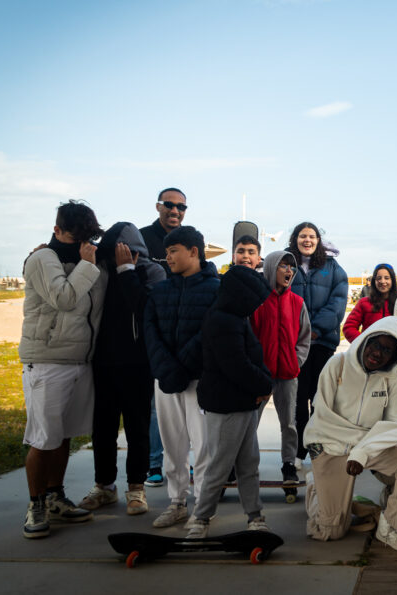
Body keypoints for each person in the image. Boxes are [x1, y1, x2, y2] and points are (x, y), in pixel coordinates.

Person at [303, 317, 397, 552]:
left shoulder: (392, 378)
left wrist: (363, 451)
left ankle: (392, 527)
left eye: (387, 350)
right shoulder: (337, 364)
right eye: (376, 344)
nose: (378, 353)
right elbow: (322, 417)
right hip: (331, 444)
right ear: (366, 340)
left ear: (395, 357)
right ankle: (317, 488)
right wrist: (358, 447)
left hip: (367, 446)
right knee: (329, 531)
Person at [19, 200, 107, 538]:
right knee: (43, 438)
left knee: (63, 435)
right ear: (56, 230)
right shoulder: (43, 258)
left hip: (79, 361)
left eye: (88, 238)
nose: (83, 245)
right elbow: (64, 299)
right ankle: (35, 504)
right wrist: (87, 264)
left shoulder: (87, 258)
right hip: (46, 360)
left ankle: (56, 496)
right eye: (76, 237)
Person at [78, 223, 165, 518]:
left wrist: (128, 271)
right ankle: (104, 486)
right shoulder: (99, 268)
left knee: (137, 428)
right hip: (102, 361)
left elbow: (147, 310)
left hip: (138, 363)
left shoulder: (151, 271)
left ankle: (136, 487)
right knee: (102, 428)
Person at [184, 265, 274, 538]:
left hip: (244, 403)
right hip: (226, 406)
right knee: (220, 466)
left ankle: (254, 516)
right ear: (240, 295)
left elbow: (250, 359)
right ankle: (200, 518)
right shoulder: (222, 320)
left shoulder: (235, 316)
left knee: (248, 464)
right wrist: (264, 384)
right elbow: (235, 365)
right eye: (254, 299)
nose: (257, 304)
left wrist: (260, 385)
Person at [143, 225, 221, 528]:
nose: (168, 258)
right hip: (165, 381)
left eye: (173, 251)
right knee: (172, 445)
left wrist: (181, 367)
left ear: (193, 251)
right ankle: (176, 502)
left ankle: (203, 509)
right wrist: (166, 369)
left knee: (202, 447)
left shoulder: (216, 288)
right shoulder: (161, 289)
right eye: (166, 252)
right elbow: (150, 332)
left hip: (199, 381)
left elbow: (210, 334)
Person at [285, 222, 348, 456]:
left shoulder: (332, 267)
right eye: (303, 236)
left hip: (322, 343)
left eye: (312, 236)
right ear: (296, 239)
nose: (307, 240)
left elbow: (338, 302)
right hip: (294, 345)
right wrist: (298, 332)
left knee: (320, 398)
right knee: (298, 399)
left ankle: (318, 447)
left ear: (318, 240)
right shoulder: (287, 264)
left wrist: (316, 329)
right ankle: (299, 450)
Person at [250, 250, 312, 486]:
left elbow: (304, 338)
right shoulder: (256, 301)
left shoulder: (297, 303)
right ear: (270, 268)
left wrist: (296, 362)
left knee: (288, 422)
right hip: (260, 376)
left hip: (287, 374)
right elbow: (249, 336)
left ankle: (288, 464)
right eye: (283, 266)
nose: (288, 271)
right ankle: (246, 464)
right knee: (250, 422)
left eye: (291, 267)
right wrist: (254, 368)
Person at [140, 188, 188, 488]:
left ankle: (182, 462)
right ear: (158, 206)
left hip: (183, 330)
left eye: (181, 207)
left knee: (184, 404)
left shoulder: (191, 238)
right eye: (169, 205)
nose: (175, 211)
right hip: (154, 328)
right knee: (157, 403)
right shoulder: (142, 237)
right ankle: (155, 464)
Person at [344, 263, 397, 342]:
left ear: (392, 280)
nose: (382, 281)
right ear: (374, 281)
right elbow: (349, 327)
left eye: (387, 278)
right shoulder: (364, 302)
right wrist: (364, 343)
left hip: (394, 352)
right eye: (379, 278)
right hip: (369, 352)